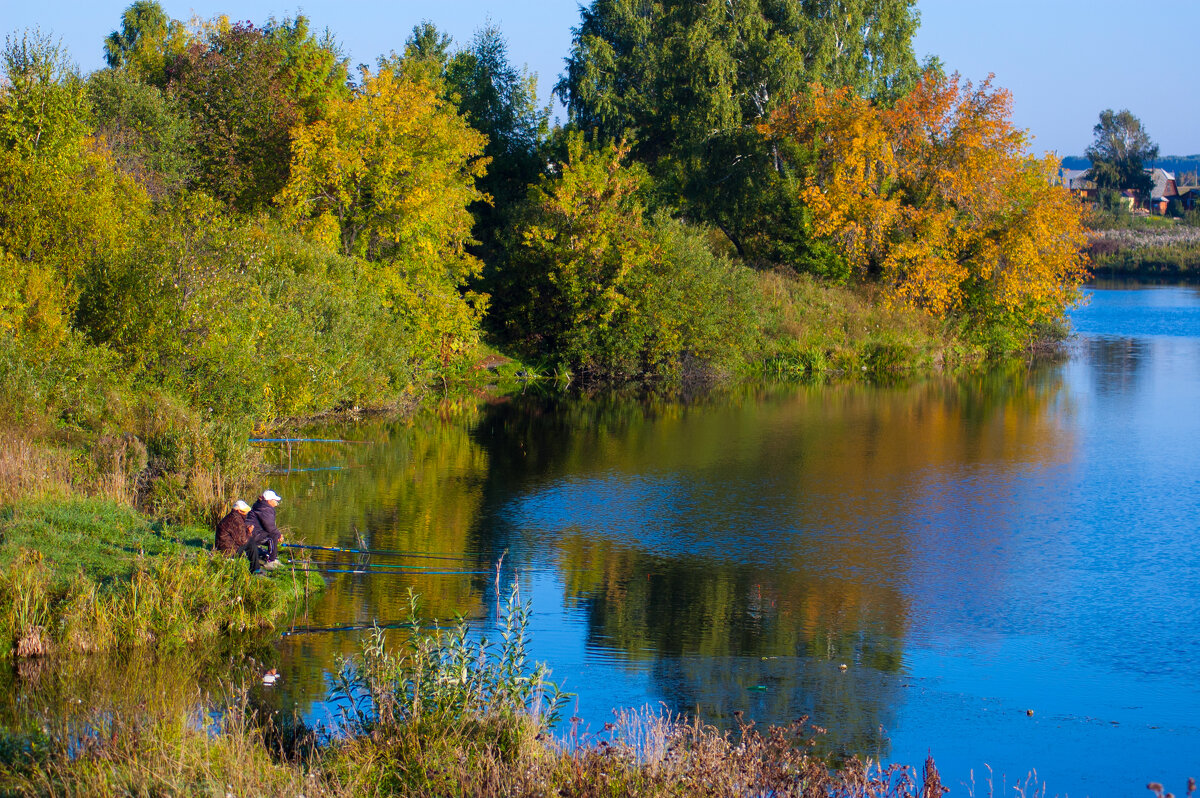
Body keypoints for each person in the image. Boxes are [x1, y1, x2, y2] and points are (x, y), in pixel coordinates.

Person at [246, 489, 284, 570]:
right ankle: (271, 561)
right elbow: (270, 527)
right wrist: (279, 535)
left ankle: (270, 557)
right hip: (253, 534)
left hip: (254, 532)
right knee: (273, 537)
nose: (277, 502)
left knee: (273, 535)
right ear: (269, 501)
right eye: (275, 500)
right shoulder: (265, 509)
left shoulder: (260, 506)